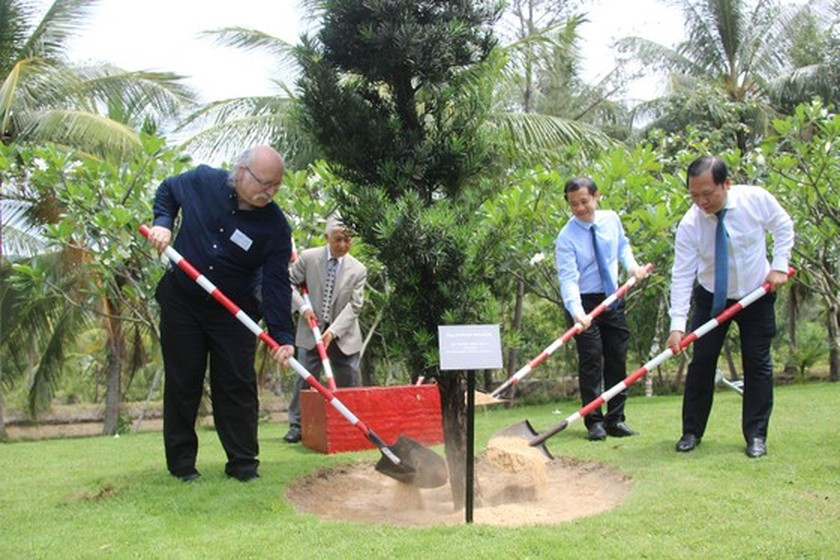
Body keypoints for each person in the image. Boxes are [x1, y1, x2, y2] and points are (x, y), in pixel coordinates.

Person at [147, 145, 296, 482]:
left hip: (234, 312)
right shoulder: (203, 181)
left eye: (276, 185)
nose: (269, 192)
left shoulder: (275, 226)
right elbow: (168, 190)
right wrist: (163, 224)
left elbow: (276, 284)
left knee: (236, 384)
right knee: (183, 381)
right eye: (264, 183)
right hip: (182, 301)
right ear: (241, 171)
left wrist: (282, 337)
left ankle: (243, 464)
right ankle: (182, 466)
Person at [666, 156, 794, 458]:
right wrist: (677, 326)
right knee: (702, 362)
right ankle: (691, 432)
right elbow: (682, 274)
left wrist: (779, 265)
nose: (701, 202)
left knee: (757, 363)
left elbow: (783, 226)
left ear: (726, 184)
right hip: (712, 297)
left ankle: (756, 436)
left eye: (707, 194)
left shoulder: (755, 200)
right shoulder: (690, 224)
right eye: (694, 195)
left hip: (755, 294)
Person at [555, 176, 648, 441]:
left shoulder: (611, 219)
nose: (579, 208)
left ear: (596, 197)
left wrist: (632, 267)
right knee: (592, 360)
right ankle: (594, 422)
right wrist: (577, 313)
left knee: (617, 358)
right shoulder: (566, 237)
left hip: (612, 296)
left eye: (584, 201)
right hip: (583, 303)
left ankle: (615, 419)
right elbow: (568, 279)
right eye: (573, 204)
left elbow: (623, 247)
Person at [282, 216, 367, 443]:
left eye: (348, 240)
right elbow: (288, 282)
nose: (343, 245)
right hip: (311, 331)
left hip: (343, 335)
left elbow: (355, 305)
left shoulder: (358, 269)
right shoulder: (309, 258)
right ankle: (297, 425)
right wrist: (302, 308)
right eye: (338, 239)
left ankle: (350, 426)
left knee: (349, 381)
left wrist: (333, 331)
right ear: (326, 237)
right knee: (304, 379)